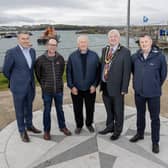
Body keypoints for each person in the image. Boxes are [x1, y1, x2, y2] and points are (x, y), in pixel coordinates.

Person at [129, 34, 167, 153]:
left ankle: (155, 142)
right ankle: (140, 134)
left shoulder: (159, 57)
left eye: (146, 42)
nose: (144, 44)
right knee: (140, 114)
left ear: (151, 42)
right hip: (139, 92)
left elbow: (163, 75)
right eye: (141, 42)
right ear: (139, 44)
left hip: (153, 93)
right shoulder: (135, 57)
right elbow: (133, 72)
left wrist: (155, 84)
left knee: (154, 118)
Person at [3, 31, 41, 143]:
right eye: (23, 38)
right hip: (18, 87)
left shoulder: (32, 51)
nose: (26, 40)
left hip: (30, 86)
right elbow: (6, 70)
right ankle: (22, 130)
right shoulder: (11, 52)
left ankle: (29, 125)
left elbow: (31, 68)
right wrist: (15, 80)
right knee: (19, 110)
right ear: (18, 39)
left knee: (29, 107)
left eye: (27, 38)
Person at [35, 38, 72, 140]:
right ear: (47, 45)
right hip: (47, 91)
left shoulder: (60, 58)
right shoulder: (40, 59)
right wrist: (44, 85)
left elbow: (61, 73)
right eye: (51, 45)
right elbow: (38, 75)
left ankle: (63, 127)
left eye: (54, 45)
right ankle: (47, 131)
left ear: (56, 46)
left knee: (60, 109)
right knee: (47, 111)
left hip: (59, 90)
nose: (52, 47)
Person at [99, 29, 131, 140]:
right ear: (108, 38)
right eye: (110, 37)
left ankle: (117, 130)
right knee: (109, 109)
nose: (112, 38)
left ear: (119, 38)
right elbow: (103, 65)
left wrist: (124, 88)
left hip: (117, 88)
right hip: (105, 85)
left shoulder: (125, 52)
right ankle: (110, 126)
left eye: (115, 36)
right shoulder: (105, 50)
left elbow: (127, 72)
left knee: (118, 110)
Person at [66, 35, 100, 134]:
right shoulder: (72, 56)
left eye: (85, 42)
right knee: (77, 109)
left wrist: (95, 85)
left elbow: (98, 72)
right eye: (81, 42)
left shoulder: (94, 55)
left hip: (90, 89)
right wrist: (71, 86)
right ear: (78, 44)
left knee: (90, 108)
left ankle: (89, 124)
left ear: (88, 43)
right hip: (76, 89)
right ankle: (79, 125)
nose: (83, 44)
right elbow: (68, 72)